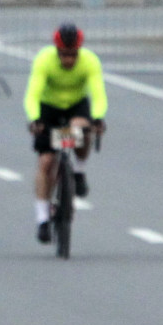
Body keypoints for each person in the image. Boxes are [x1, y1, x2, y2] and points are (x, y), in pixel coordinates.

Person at [24, 23, 107, 243]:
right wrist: (35, 119)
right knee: (46, 162)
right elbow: (32, 94)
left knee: (81, 129)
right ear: (57, 50)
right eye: (64, 55)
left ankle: (78, 171)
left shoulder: (90, 61)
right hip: (49, 108)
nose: (69, 60)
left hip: (75, 106)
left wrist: (98, 118)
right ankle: (42, 218)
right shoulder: (44, 60)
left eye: (73, 55)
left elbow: (98, 94)